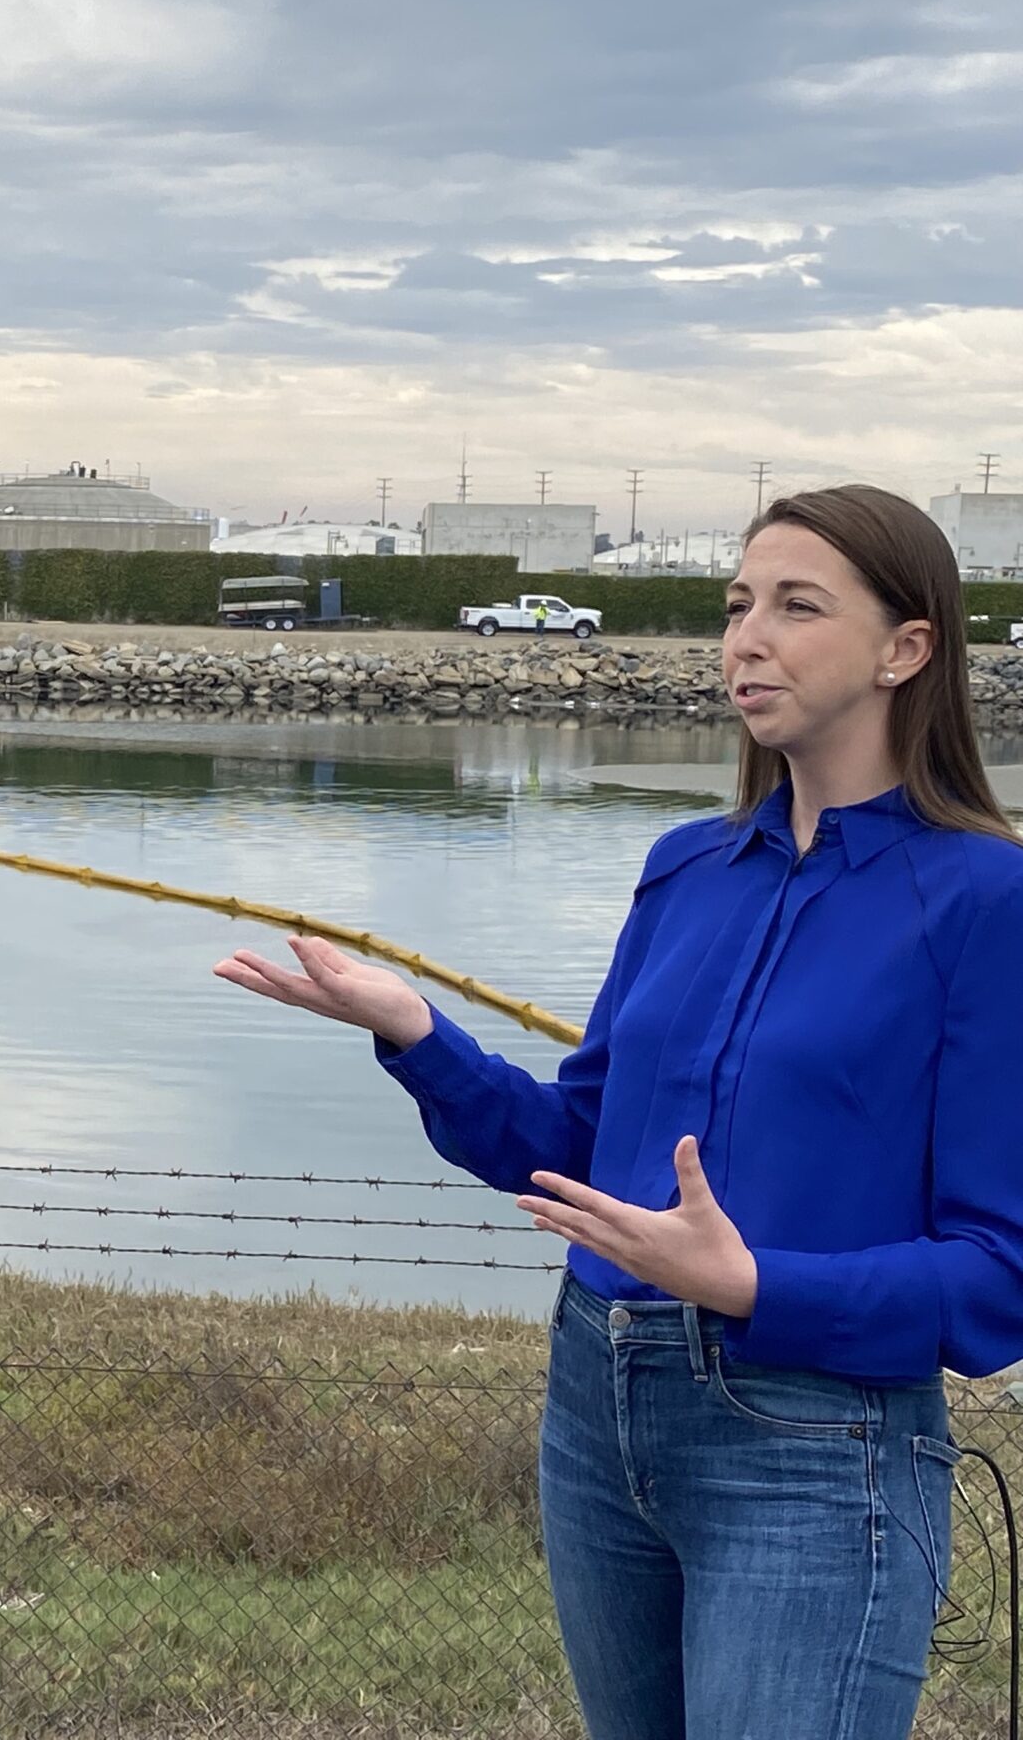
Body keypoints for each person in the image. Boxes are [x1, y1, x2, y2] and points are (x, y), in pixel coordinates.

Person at [215, 484, 1023, 1739]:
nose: (744, 637)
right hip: (597, 1407)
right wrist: (416, 1035)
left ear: (905, 649)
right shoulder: (684, 869)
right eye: (736, 604)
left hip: (814, 1448)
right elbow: (573, 1153)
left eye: (796, 607)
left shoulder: (986, 901)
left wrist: (756, 1284)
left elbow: (996, 1277)